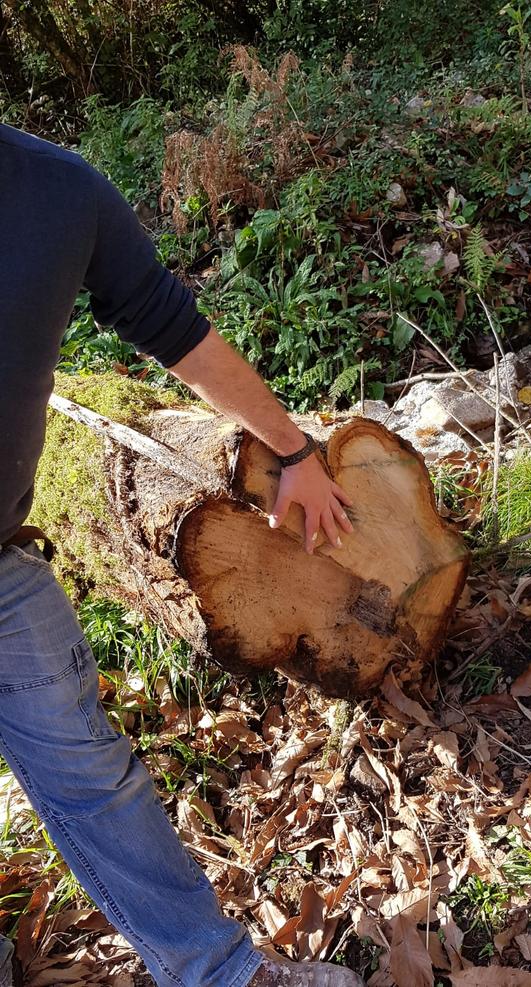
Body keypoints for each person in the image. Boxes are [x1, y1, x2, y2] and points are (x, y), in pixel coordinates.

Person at [0, 122, 366, 986]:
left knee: (94, 777)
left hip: (2, 574)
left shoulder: (61, 193)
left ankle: (218, 973)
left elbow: (173, 326)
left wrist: (292, 450)